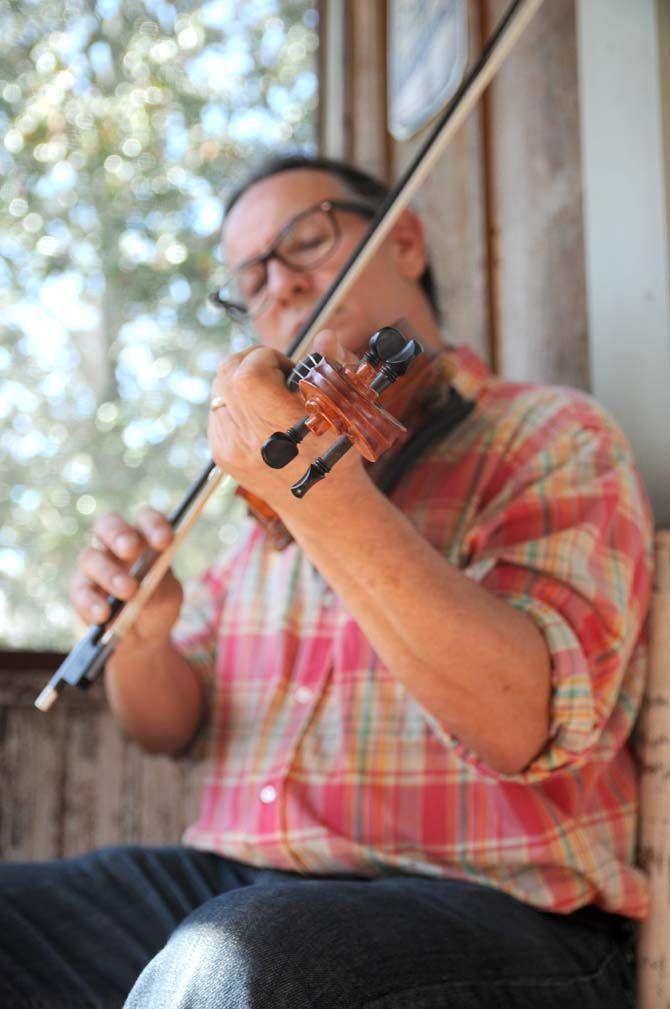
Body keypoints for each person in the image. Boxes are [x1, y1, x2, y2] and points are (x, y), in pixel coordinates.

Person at [0, 154, 652, 1009]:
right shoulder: (266, 507)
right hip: (242, 878)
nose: (280, 284)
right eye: (250, 277)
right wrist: (146, 635)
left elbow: (521, 719)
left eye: (305, 239)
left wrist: (315, 490)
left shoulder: (550, 438)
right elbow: (170, 725)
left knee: (236, 961)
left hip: (503, 909)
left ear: (405, 241)